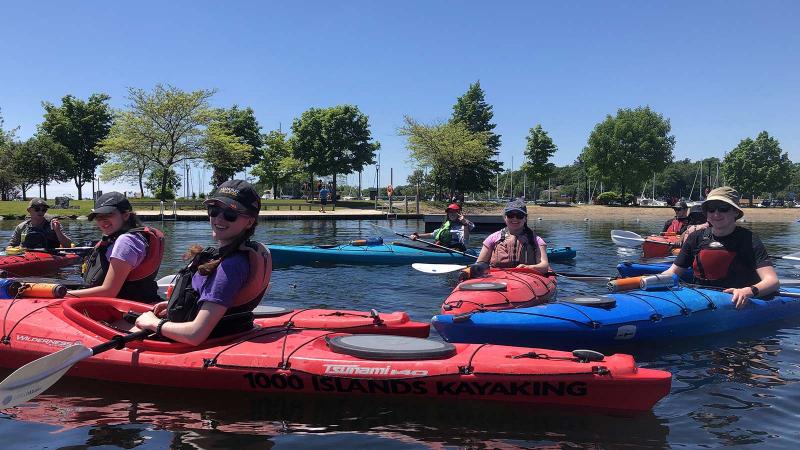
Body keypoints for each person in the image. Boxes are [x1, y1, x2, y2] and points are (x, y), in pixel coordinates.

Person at [135, 180, 271, 346]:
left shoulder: (230, 267)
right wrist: (178, 305)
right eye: (214, 210)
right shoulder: (232, 256)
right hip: (224, 331)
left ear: (249, 222)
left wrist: (153, 323)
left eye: (230, 214)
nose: (219, 218)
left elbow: (195, 334)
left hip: (194, 343)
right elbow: (219, 299)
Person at [660, 187, 779, 309]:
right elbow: (672, 272)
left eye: (723, 209)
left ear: (736, 212)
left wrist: (747, 291)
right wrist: (648, 281)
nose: (716, 214)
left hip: (734, 302)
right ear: (706, 213)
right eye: (711, 209)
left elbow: (772, 281)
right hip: (699, 301)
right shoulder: (695, 238)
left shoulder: (749, 239)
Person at [69, 192, 164, 303]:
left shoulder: (126, 241)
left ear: (126, 215)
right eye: (98, 217)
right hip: (137, 303)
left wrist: (62, 294)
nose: (102, 221)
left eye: (108, 215)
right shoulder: (132, 237)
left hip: (125, 311)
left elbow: (108, 291)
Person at [474, 199, 550, 272]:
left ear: (525, 218)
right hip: (497, 279)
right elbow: (480, 263)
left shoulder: (536, 240)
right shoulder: (493, 238)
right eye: (510, 215)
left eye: (519, 215)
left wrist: (529, 267)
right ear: (505, 217)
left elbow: (544, 266)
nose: (515, 219)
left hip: (527, 277)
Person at [7, 198, 73, 250]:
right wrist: (14, 248)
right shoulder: (21, 227)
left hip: (50, 256)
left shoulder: (53, 225)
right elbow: (11, 246)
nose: (41, 211)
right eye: (37, 209)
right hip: (27, 256)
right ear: (29, 210)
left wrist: (58, 231)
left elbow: (68, 246)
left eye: (44, 209)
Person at [410, 203, 474, 251]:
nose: (451, 214)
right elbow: (433, 234)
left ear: (459, 213)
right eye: (449, 212)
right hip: (441, 247)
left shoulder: (462, 227)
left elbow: (465, 243)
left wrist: (465, 224)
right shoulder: (447, 224)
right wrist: (418, 236)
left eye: (454, 212)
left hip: (453, 250)